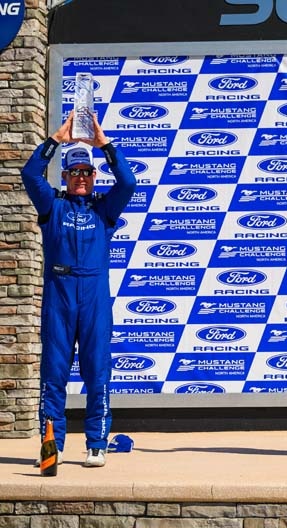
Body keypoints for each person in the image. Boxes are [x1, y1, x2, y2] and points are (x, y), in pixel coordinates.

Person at [23, 111, 136, 468]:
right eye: (74, 172)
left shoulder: (104, 209)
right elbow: (28, 174)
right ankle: (50, 446)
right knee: (54, 372)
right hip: (59, 294)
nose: (81, 178)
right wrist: (57, 139)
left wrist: (103, 145)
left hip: (94, 297)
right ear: (66, 176)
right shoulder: (51, 205)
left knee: (96, 370)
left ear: (93, 174)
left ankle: (97, 444)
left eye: (86, 172)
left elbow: (129, 184)